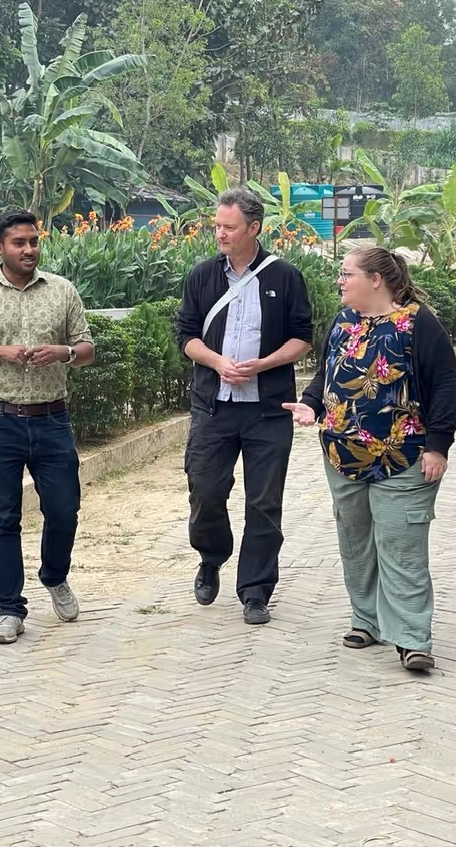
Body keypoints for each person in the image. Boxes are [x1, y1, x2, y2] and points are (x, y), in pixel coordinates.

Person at [285, 246, 456, 671]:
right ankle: (367, 620)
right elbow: (327, 372)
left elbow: (444, 386)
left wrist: (438, 446)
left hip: (404, 457)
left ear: (376, 280)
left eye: (347, 274)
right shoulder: (344, 321)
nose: (341, 281)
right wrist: (311, 404)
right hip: (342, 456)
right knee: (356, 543)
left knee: (401, 548)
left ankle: (413, 639)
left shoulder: (419, 324)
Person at [0, 209, 95, 645]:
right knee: (3, 519)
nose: (29, 249)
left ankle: (54, 575)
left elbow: (87, 348)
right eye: (19, 243)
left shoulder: (61, 290)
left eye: (33, 241)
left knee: (65, 508)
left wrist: (63, 352)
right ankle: (10, 609)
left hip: (52, 418)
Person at [177, 187, 314, 625]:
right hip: (213, 407)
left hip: (268, 410)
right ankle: (211, 555)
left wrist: (264, 364)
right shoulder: (201, 276)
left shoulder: (285, 276)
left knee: (264, 502)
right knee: (205, 489)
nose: (219, 233)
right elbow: (186, 337)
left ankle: (255, 590)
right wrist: (218, 362)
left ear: (253, 229)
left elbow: (303, 337)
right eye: (217, 225)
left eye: (228, 227)